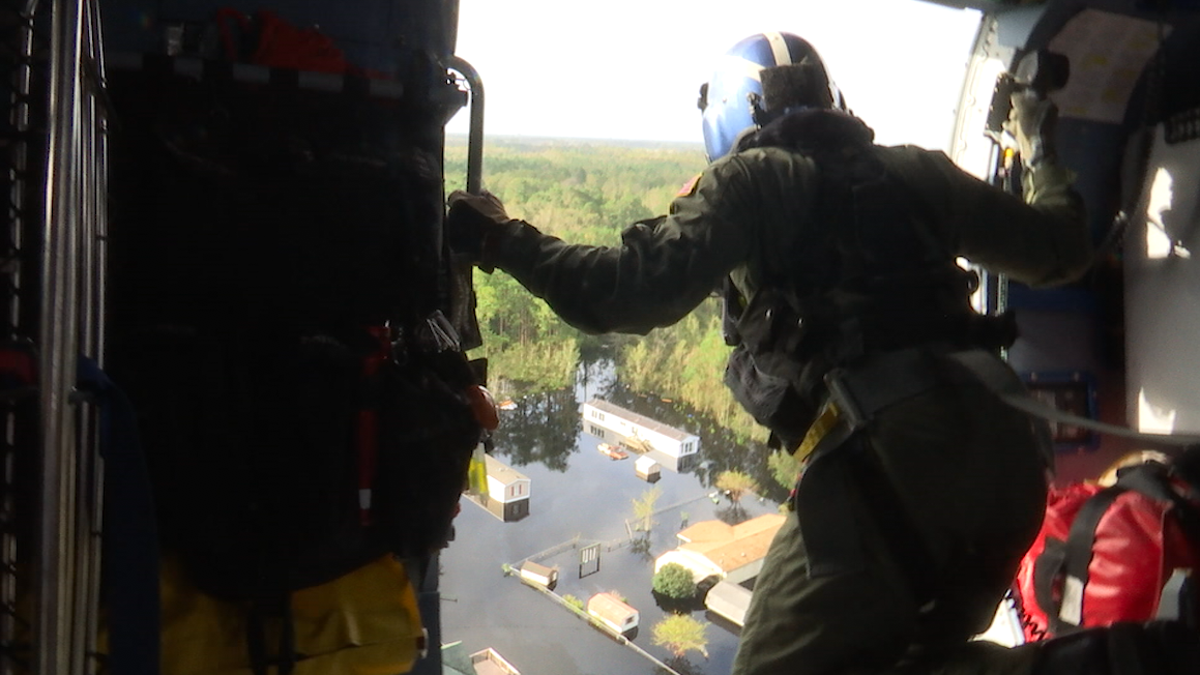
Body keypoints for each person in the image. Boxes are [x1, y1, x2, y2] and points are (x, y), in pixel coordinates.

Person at [446, 32, 1198, 675]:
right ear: (831, 102)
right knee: (912, 654)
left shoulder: (751, 182)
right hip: (1006, 459)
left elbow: (623, 292)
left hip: (892, 470)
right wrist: (1042, 149)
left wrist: (499, 238)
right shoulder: (917, 172)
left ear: (733, 122)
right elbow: (1060, 247)